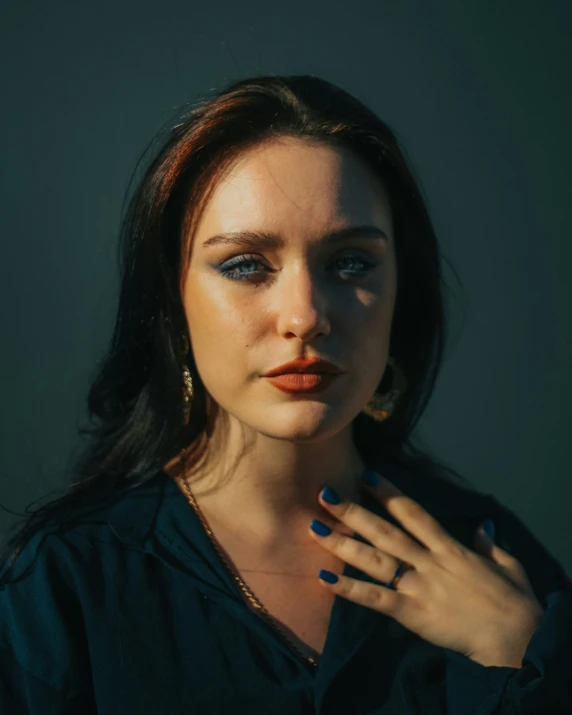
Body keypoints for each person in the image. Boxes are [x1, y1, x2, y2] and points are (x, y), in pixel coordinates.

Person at [1, 74, 570, 715]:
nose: (305, 316)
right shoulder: (65, 584)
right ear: (173, 303)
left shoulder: (498, 563)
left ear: (400, 295)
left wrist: (520, 657)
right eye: (245, 265)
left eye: (350, 262)